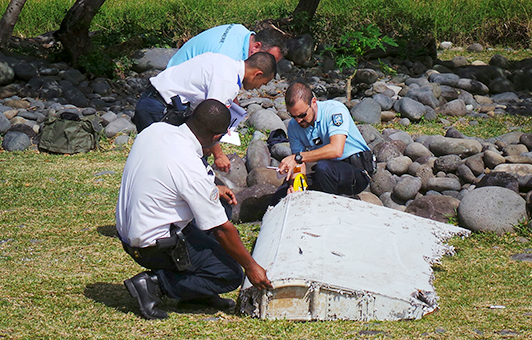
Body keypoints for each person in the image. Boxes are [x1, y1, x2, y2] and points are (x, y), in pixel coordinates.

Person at [117, 99, 273, 320]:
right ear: (216, 137)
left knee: (221, 207)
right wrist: (251, 266)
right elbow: (222, 230)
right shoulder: (189, 166)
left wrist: (214, 190)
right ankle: (154, 284)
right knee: (228, 274)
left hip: (129, 230)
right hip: (152, 246)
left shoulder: (156, 130)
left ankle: (197, 292)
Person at [132, 51, 277, 171]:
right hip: (160, 109)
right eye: (262, 83)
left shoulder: (223, 60)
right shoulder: (228, 81)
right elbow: (211, 119)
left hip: (151, 99)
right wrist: (218, 154)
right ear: (257, 74)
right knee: (162, 163)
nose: (258, 88)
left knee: (154, 159)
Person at [272, 81, 373, 204]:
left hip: (356, 171)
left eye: (302, 115)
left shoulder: (334, 110)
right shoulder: (294, 126)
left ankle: (330, 209)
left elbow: (336, 150)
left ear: (313, 102)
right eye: (293, 116)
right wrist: (296, 186)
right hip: (328, 172)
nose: (298, 120)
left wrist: (298, 157)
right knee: (283, 193)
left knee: (323, 168)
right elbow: (299, 165)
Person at [166, 24, 286, 68]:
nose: (270, 67)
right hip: (173, 91)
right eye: (270, 60)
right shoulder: (229, 58)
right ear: (256, 47)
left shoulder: (240, 30)